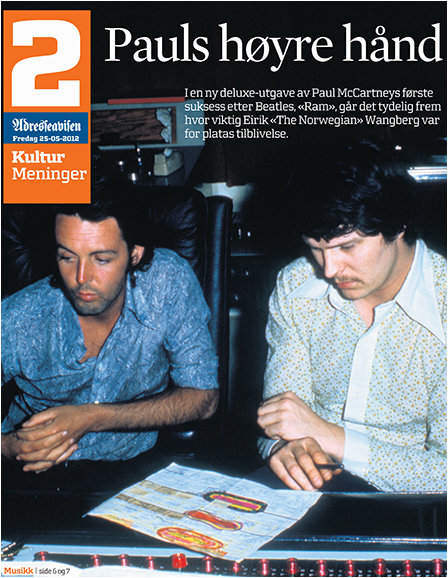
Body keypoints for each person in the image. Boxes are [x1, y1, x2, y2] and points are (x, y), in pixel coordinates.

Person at [1, 171, 219, 484]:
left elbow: (203, 397)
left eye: (101, 259)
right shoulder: (20, 317)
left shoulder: (167, 282)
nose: (81, 278)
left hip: (136, 469)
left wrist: (92, 417)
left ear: (135, 254)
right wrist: (8, 447)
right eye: (67, 257)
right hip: (34, 477)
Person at [256, 141, 446, 493]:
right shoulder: (296, 285)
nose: (329, 269)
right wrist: (282, 448)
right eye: (316, 248)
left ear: (398, 225)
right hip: (310, 488)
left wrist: (331, 437)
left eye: (348, 246)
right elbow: (281, 419)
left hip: (413, 507)